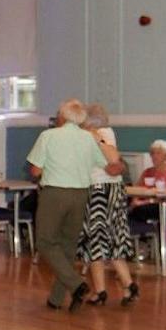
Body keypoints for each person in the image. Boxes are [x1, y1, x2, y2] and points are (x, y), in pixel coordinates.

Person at [27, 99, 116, 311]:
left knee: (45, 242)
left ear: (62, 117)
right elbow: (104, 164)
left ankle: (77, 284)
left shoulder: (48, 136)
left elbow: (36, 171)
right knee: (67, 247)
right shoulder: (88, 138)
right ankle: (57, 299)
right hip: (80, 195)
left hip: (55, 194)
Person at [76, 104, 137, 306]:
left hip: (97, 191)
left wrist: (93, 137)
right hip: (115, 190)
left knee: (95, 241)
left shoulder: (96, 135)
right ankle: (128, 285)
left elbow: (112, 160)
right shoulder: (107, 132)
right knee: (114, 238)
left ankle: (101, 291)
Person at [131, 139, 166, 216]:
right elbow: (136, 189)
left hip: (164, 206)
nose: (154, 156)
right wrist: (135, 201)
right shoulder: (147, 172)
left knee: (138, 211)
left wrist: (143, 202)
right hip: (145, 205)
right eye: (152, 153)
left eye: (158, 153)